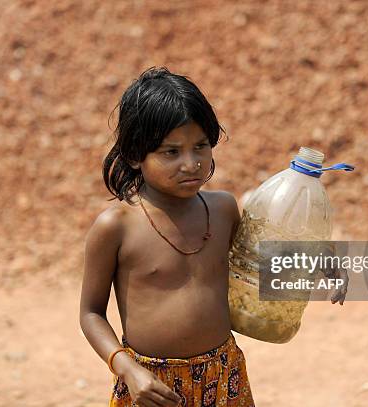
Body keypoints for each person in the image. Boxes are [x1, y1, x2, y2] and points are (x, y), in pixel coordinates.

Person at [80, 67, 256, 407]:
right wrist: (126, 369)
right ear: (135, 155)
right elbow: (90, 313)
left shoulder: (223, 210)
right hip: (150, 386)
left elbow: (256, 270)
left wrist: (316, 264)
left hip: (224, 373)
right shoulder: (115, 227)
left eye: (200, 146)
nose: (191, 164)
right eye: (171, 152)